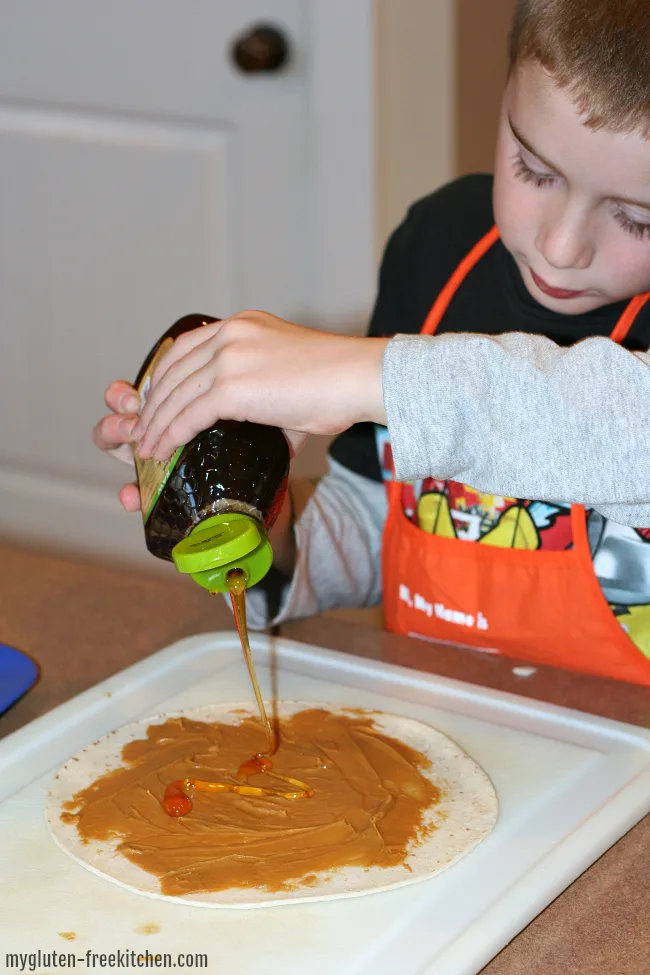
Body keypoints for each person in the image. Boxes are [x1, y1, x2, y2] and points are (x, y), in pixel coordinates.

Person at [94, 0, 650, 685]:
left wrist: (366, 376)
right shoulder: (439, 247)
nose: (561, 248)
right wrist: (250, 514)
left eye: (636, 218)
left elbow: (624, 425)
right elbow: (374, 524)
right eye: (534, 171)